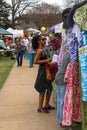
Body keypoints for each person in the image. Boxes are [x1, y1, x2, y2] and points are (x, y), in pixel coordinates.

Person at [32, 34, 55, 113]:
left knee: (49, 88)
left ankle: (47, 105)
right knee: (42, 89)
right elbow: (35, 61)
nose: (45, 41)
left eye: (45, 39)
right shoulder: (40, 50)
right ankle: (40, 107)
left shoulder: (43, 49)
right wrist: (46, 61)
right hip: (43, 72)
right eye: (43, 39)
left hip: (47, 71)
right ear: (38, 41)